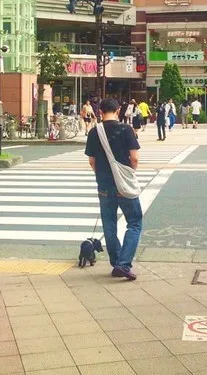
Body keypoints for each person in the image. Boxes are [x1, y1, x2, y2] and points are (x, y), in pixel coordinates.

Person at [85, 98, 142, 281]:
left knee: (109, 224)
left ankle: (116, 262)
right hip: (123, 185)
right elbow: (134, 158)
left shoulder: (95, 131)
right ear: (118, 110)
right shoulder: (126, 129)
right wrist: (128, 174)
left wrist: (102, 175)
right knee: (134, 222)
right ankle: (124, 264)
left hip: (104, 185)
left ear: (100, 111)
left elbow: (92, 161)